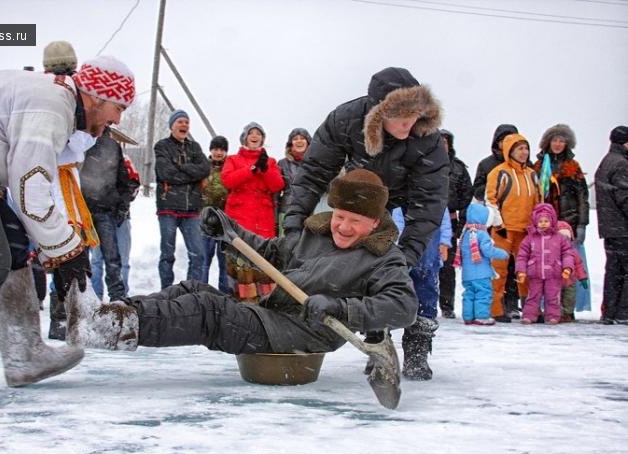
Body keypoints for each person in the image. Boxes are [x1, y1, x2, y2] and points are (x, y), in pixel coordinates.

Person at [64, 169, 418, 373]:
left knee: (209, 312)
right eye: (340, 216)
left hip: (302, 336)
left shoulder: (384, 259)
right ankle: (110, 316)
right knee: (192, 290)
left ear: (374, 222)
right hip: (273, 317)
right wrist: (229, 231)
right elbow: (269, 253)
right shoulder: (317, 232)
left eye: (355, 221)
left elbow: (403, 307)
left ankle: (106, 328)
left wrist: (342, 308)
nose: (342, 226)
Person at [0, 54, 136, 397]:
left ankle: (24, 355)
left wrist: (64, 249)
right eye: (119, 108)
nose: (117, 119)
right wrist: (70, 253)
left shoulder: (59, 102)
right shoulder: (52, 105)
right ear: (98, 97)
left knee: (12, 249)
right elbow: (30, 189)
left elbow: (32, 188)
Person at [282, 67, 447, 380]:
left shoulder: (426, 137)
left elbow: (430, 202)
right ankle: (377, 336)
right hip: (364, 195)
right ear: (378, 113)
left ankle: (418, 342)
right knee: (363, 261)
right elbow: (314, 172)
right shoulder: (345, 120)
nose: (408, 124)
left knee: (423, 263)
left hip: (410, 198)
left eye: (414, 116)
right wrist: (293, 225)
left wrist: (408, 254)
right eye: (400, 117)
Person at [41, 40, 99, 340]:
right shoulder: (59, 97)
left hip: (60, 182)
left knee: (71, 251)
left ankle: (69, 316)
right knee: (65, 249)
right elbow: (75, 144)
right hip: (49, 181)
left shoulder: (67, 95)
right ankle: (64, 317)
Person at [221, 122, 284, 302]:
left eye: (258, 133)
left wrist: (264, 170)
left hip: (263, 224)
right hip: (239, 223)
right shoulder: (233, 159)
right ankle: (243, 306)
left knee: (263, 268)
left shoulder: (270, 162)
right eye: (251, 133)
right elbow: (228, 180)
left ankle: (265, 306)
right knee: (241, 267)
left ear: (262, 139)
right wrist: (251, 169)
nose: (255, 136)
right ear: (245, 138)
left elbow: (277, 185)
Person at [532, 124, 591, 313]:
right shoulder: (539, 166)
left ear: (567, 144)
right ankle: (544, 306)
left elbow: (583, 197)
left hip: (569, 224)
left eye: (562, 141)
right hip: (544, 223)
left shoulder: (573, 166)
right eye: (554, 140)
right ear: (547, 142)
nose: (557, 144)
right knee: (544, 265)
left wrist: (581, 224)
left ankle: (570, 307)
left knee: (572, 265)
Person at [485, 133, 541, 323]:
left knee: (528, 270)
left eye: (526, 148)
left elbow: (538, 202)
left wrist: (537, 225)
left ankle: (531, 308)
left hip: (526, 231)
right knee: (498, 270)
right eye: (520, 149)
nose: (524, 152)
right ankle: (495, 308)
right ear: (510, 151)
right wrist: (498, 223)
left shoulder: (532, 174)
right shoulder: (498, 172)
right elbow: (490, 200)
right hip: (503, 230)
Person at [154, 109, 210, 289]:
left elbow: (205, 170)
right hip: (168, 207)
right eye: (180, 122)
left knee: (198, 255)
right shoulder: (162, 146)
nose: (184, 125)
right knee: (167, 254)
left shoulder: (195, 147)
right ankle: (166, 291)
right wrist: (192, 174)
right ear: (172, 125)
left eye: (186, 122)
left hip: (191, 209)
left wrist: (182, 166)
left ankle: (190, 291)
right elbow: (166, 173)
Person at [79, 126, 137, 302]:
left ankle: (117, 300)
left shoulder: (112, 146)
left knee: (112, 259)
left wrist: (121, 206)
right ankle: (76, 298)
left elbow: (125, 181)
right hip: (81, 211)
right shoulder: (78, 142)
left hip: (105, 211)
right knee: (78, 258)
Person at [472, 124, 522, 320]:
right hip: (494, 222)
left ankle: (513, 303)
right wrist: (494, 187)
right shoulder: (487, 164)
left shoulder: (524, 166)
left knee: (515, 266)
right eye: (503, 140)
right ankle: (495, 304)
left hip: (518, 222)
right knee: (496, 265)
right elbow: (476, 189)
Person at [90, 155, 140, 298]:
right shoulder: (90, 155)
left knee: (123, 259)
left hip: (121, 217)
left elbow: (134, 182)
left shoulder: (124, 158)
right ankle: (96, 296)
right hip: (98, 215)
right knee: (96, 259)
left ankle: (120, 297)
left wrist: (122, 205)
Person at [515, 203, 575, 325]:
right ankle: (529, 316)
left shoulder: (560, 238)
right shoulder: (530, 238)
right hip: (535, 273)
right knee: (533, 296)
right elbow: (522, 256)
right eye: (540, 221)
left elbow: (567, 254)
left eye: (546, 221)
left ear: (552, 221)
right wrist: (521, 270)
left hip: (554, 273)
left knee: (553, 296)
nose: (543, 223)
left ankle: (552, 316)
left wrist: (567, 267)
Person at [594, 125, 628, 325]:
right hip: (623, 229)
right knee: (623, 273)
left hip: (611, 227)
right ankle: (623, 313)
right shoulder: (622, 164)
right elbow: (624, 197)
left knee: (614, 272)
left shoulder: (607, 161)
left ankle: (610, 313)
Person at [454, 203, 509, 325]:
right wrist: (503, 254)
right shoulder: (482, 233)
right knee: (483, 293)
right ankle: (481, 316)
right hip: (481, 271)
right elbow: (487, 250)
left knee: (469, 294)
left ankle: (468, 317)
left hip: (467, 273)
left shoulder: (466, 233)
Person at [438, 129, 473, 319]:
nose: (442, 145)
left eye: (445, 142)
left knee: (447, 267)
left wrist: (462, 226)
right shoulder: (422, 165)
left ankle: (447, 305)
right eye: (439, 141)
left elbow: (466, 199)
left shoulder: (459, 168)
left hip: (450, 222)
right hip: (424, 221)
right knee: (422, 267)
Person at [201, 135, 230, 294]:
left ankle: (224, 295)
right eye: (216, 149)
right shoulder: (203, 167)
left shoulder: (229, 168)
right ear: (211, 150)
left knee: (224, 263)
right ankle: (200, 293)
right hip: (204, 222)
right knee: (203, 261)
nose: (218, 153)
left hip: (224, 223)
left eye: (222, 150)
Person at [277, 128, 312, 237]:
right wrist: (274, 218)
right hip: (286, 210)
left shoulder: (315, 163)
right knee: (286, 246)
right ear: (290, 143)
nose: (299, 141)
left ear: (308, 142)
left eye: (302, 138)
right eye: (295, 138)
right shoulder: (282, 163)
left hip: (310, 210)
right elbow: (276, 192)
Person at [556, 221, 588, 322]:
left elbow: (579, 265)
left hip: (570, 281)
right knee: (555, 298)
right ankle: (558, 314)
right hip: (555, 281)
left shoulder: (573, 252)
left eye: (567, 238)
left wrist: (582, 278)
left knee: (569, 298)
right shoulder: (552, 252)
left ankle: (567, 313)